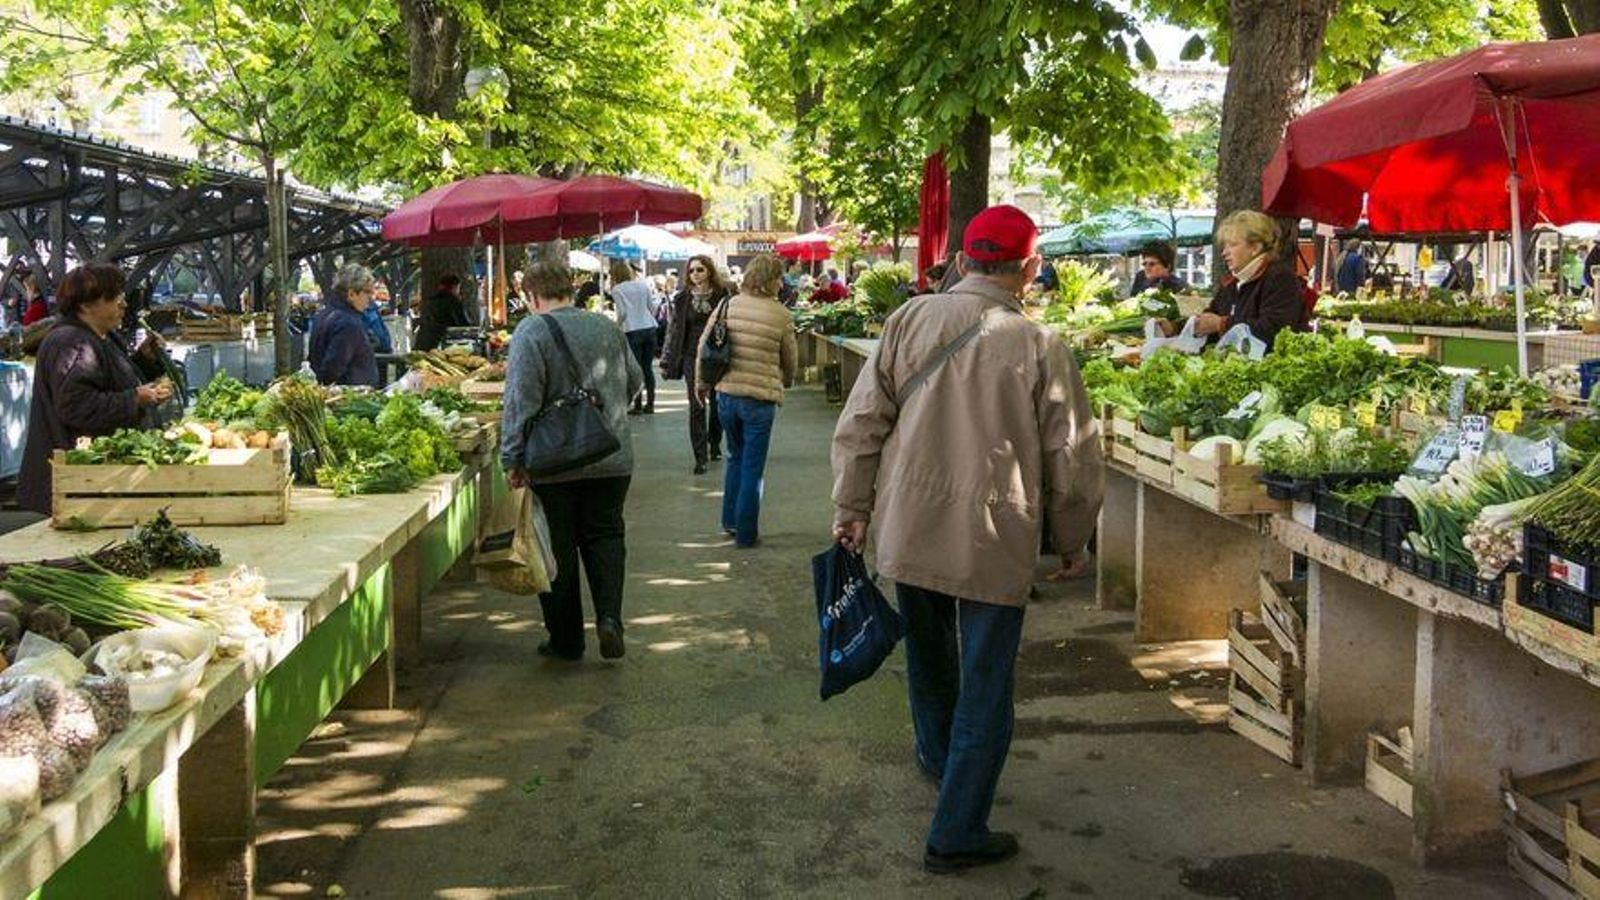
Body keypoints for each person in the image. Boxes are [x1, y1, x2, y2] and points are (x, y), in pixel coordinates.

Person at [830, 205, 1103, 875]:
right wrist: (1072, 540)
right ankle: (957, 828)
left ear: (961, 260)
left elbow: (862, 422)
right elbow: (1072, 455)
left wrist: (852, 507)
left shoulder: (908, 320)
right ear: (1030, 269)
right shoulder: (1040, 345)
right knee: (987, 682)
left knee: (928, 657)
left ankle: (938, 757)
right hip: (993, 534)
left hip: (910, 523)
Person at [501, 260, 643, 662]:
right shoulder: (606, 326)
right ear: (569, 288)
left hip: (554, 461)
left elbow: (520, 401)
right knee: (606, 536)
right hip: (611, 453)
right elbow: (633, 380)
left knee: (557, 547)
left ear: (531, 295)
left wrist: (511, 456)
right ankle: (611, 619)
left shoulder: (531, 331)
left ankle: (566, 639)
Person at [18, 263, 173, 515]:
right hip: (76, 482)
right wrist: (135, 398)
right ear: (86, 305)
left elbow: (108, 379)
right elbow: (77, 407)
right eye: (114, 298)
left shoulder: (98, 336)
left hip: (92, 480)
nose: (123, 304)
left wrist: (145, 360)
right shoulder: (72, 343)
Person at [695, 253, 796, 548]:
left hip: (726, 395)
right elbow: (790, 358)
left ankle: (730, 521)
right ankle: (747, 533)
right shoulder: (780, 314)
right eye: (779, 277)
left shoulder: (728, 304)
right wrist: (785, 381)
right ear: (771, 280)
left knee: (734, 458)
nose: (781, 283)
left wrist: (702, 383)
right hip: (760, 399)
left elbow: (705, 343)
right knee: (753, 466)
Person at [1193, 210, 1309, 347]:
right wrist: (1177, 326)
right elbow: (1211, 316)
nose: (1224, 253)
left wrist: (1222, 324)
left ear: (1255, 247)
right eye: (1224, 246)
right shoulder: (1233, 283)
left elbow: (1275, 330)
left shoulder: (1280, 278)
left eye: (1232, 245)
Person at [662, 253, 729, 474]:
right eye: (691, 270)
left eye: (700, 269)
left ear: (709, 270)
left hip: (717, 355)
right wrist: (667, 359)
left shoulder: (723, 295)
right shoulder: (682, 298)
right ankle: (700, 457)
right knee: (696, 404)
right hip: (691, 357)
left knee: (718, 404)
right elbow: (673, 330)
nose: (695, 274)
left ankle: (714, 442)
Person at [309, 264, 381, 387]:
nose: (371, 298)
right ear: (351, 294)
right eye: (368, 292)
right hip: (349, 398)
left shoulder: (323, 315)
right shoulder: (348, 323)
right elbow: (332, 369)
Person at [609, 260, 659, 415]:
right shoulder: (643, 285)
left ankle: (637, 404)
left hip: (632, 330)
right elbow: (652, 307)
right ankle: (650, 403)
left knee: (634, 369)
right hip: (649, 327)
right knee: (647, 368)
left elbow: (622, 313)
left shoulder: (617, 289)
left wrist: (616, 326)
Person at [415, 274, 470, 352]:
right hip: (442, 345)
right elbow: (463, 324)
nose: (458, 291)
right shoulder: (453, 302)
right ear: (454, 287)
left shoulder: (429, 302)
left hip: (423, 344)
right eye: (458, 288)